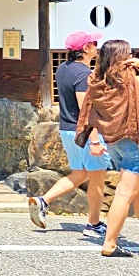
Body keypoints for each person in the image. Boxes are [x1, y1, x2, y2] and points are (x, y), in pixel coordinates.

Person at [29, 32, 110, 234]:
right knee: (97, 177)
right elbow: (87, 110)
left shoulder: (63, 69)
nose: (96, 47)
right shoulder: (83, 74)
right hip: (84, 133)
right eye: (94, 43)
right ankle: (93, 224)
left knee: (80, 173)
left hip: (67, 129)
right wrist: (94, 141)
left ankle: (43, 200)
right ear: (85, 49)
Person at [76, 38, 139, 257]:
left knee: (136, 192)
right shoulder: (131, 81)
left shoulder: (97, 80)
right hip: (134, 141)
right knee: (125, 192)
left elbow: (91, 113)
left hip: (113, 141)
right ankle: (110, 243)